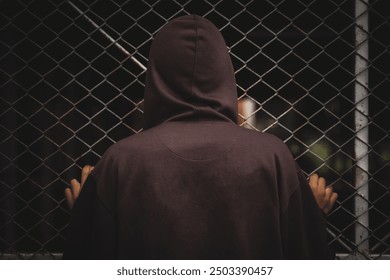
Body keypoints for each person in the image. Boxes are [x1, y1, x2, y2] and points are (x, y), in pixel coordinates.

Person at [63, 15, 337, 259]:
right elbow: (308, 260)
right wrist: (312, 218)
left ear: (156, 76)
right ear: (225, 73)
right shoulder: (273, 156)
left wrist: (86, 219)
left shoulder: (120, 160)